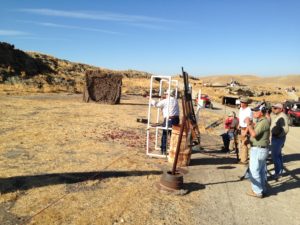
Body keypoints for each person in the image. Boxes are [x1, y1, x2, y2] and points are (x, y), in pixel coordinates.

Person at [244, 105, 270, 198]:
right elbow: (256, 134)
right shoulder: (261, 121)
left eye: (256, 111)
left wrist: (248, 124)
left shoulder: (263, 122)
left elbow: (254, 134)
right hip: (261, 149)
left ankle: (257, 191)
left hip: (258, 150)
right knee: (261, 171)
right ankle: (263, 189)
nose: (254, 113)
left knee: (254, 171)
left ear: (261, 112)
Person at [151, 89, 180, 155]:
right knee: (173, 135)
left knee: (164, 135)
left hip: (169, 120)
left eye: (166, 94)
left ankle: (163, 150)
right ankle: (174, 149)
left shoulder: (166, 101)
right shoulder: (175, 100)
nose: (165, 95)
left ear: (168, 94)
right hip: (176, 119)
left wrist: (151, 100)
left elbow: (157, 105)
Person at [270, 103, 289, 180]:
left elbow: (286, 129)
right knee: (278, 156)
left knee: (275, 157)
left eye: (276, 108)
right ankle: (279, 171)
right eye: (274, 108)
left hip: (277, 139)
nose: (274, 109)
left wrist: (279, 136)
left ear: (281, 109)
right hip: (277, 138)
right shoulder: (278, 115)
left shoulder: (282, 116)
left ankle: (277, 173)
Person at [238, 97, 253, 164]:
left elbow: (249, 123)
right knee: (242, 144)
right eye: (241, 102)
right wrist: (239, 125)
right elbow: (240, 118)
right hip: (241, 128)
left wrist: (246, 132)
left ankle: (244, 160)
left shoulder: (249, 111)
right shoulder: (241, 109)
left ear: (246, 103)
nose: (241, 103)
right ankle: (242, 157)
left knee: (244, 144)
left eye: (242, 102)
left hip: (245, 129)